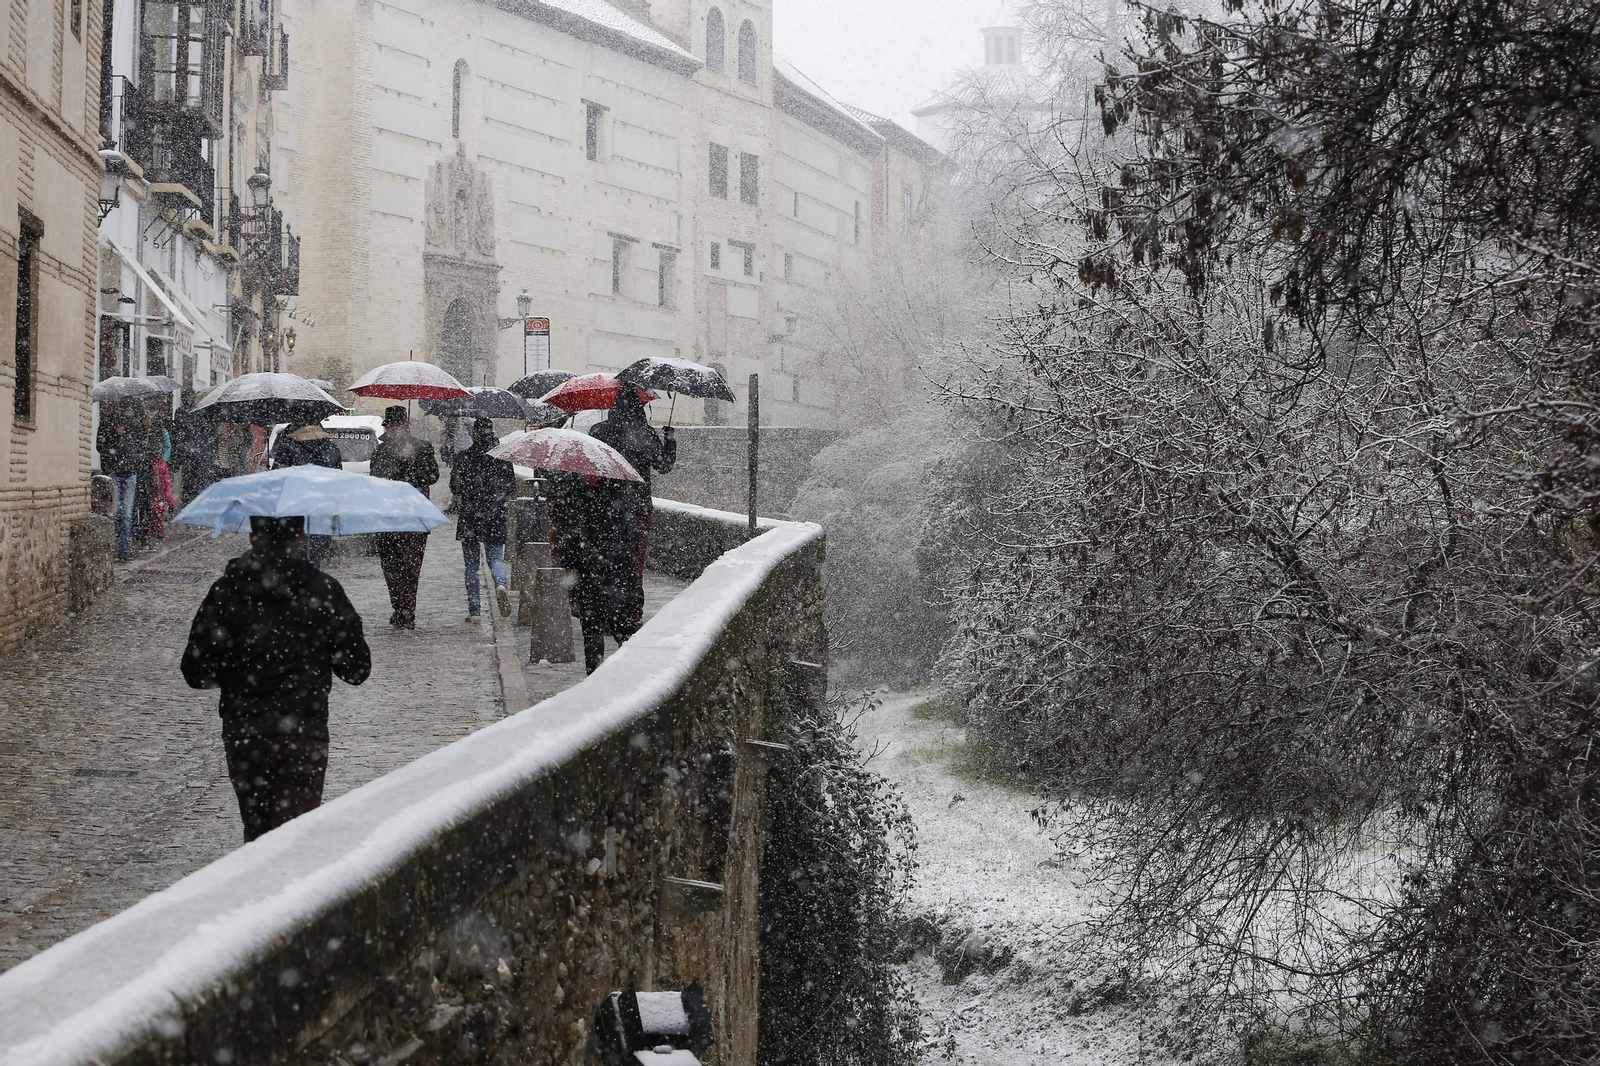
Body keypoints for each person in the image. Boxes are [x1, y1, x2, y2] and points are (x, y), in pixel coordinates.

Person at [181, 515, 371, 842]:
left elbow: (196, 672)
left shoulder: (226, 591)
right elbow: (356, 670)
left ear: (253, 536)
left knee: (257, 838)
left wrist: (238, 666)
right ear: (300, 536)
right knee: (293, 843)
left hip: (246, 733)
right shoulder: (324, 590)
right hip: (303, 734)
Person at [589, 387, 675, 626]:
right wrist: (670, 440)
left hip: (603, 507)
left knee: (604, 558)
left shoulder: (599, 431)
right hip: (637, 507)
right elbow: (664, 466)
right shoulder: (644, 434)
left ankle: (604, 611)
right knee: (634, 560)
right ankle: (630, 613)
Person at [548, 472, 642, 674]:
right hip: (592, 578)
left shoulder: (613, 499)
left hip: (614, 576)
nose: (587, 477)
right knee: (592, 631)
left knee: (621, 630)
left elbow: (630, 538)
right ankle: (595, 678)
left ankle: (632, 677)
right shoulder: (574, 495)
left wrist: (582, 539)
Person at [370, 405, 439, 628]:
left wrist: (412, 461)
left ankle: (408, 609)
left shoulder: (423, 448)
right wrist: (396, 463)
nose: (394, 429)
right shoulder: (380, 451)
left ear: (406, 426)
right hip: (388, 517)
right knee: (390, 567)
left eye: (398, 425)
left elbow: (431, 476)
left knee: (410, 567)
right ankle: (398, 606)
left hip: (414, 517)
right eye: (391, 426)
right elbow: (376, 480)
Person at [448, 417, 516, 621]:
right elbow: (511, 487)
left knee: (471, 565)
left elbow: (455, 487)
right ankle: (501, 584)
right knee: (495, 558)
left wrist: (471, 491)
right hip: (495, 514)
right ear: (492, 431)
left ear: (474, 433)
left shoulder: (464, 457)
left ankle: (475, 611)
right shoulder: (502, 458)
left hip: (470, 516)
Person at [272, 419, 344, 569]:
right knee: (314, 553)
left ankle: (298, 585)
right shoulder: (332, 449)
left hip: (294, 511)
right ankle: (310, 582)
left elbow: (277, 480)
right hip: (322, 512)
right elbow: (338, 483)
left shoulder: (288, 448)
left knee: (292, 556)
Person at [96, 401, 148, 561]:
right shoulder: (106, 423)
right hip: (114, 473)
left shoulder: (135, 424)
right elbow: (100, 446)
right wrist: (115, 435)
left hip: (130, 473)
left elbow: (141, 447)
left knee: (126, 513)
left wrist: (136, 462)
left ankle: (124, 548)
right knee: (115, 512)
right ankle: (115, 546)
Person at [171, 391, 215, 506]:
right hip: (195, 453)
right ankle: (195, 503)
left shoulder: (183, 412)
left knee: (190, 481)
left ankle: (189, 503)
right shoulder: (198, 412)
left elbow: (179, 433)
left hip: (192, 452)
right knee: (196, 480)